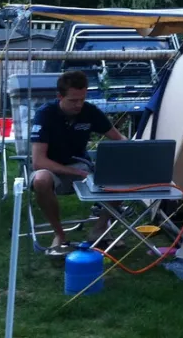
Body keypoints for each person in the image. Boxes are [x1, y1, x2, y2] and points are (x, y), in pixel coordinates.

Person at [30, 70, 125, 253]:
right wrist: (77, 173)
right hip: (50, 168)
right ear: (59, 96)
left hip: (81, 165)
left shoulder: (89, 111)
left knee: (122, 175)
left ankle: (99, 229)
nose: (79, 105)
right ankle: (60, 235)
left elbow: (118, 138)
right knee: (40, 179)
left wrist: (134, 151)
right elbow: (39, 161)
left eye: (82, 99)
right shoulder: (45, 114)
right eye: (73, 100)